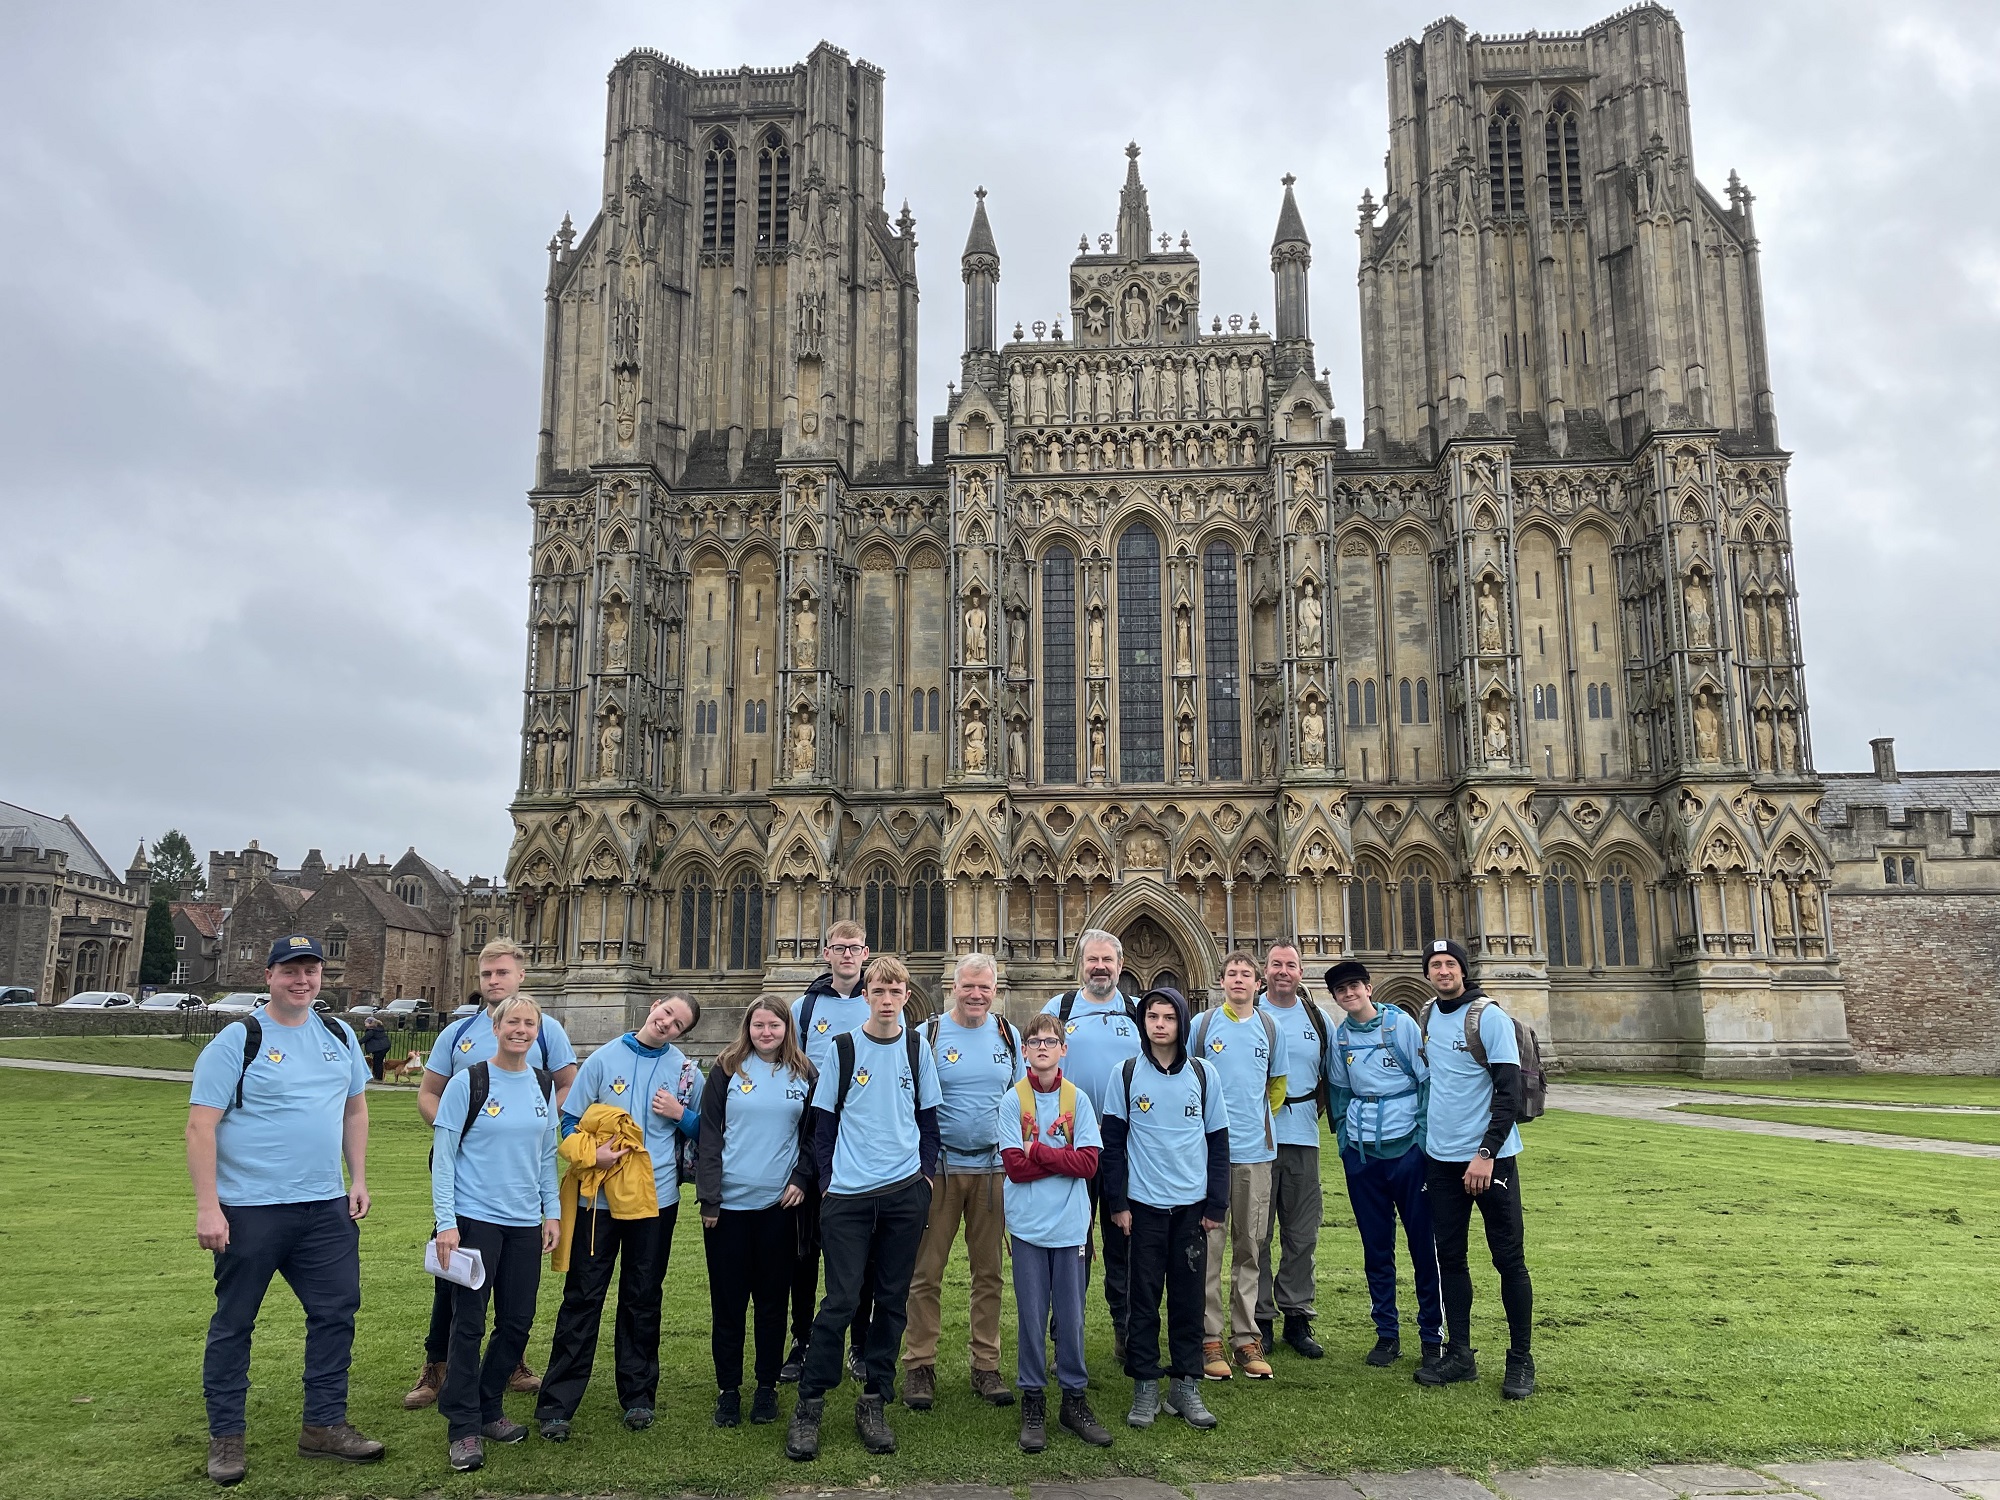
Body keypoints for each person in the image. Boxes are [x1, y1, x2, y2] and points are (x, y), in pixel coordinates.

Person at [186, 934, 382, 1487]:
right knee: (235, 1322)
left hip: (324, 1208)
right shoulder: (238, 1039)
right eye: (291, 970)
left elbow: (354, 1108)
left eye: (311, 970)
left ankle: (323, 1426)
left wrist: (357, 1178)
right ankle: (227, 1437)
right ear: (269, 976)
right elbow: (201, 1126)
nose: (302, 980)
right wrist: (209, 1208)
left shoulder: (338, 1033)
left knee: (336, 1313)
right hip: (250, 1208)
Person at [406, 940, 578, 1412]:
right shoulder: (459, 1032)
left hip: (519, 1169)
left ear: (521, 975)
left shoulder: (546, 1030)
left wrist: (536, 1120)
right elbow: (429, 1092)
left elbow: (566, 1084)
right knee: (454, 1275)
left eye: (501, 972)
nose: (493, 981)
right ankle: (436, 1366)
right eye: (485, 975)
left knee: (512, 1284)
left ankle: (512, 1361)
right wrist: (454, 1129)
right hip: (465, 1170)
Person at [786, 956, 941, 1462]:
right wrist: (830, 1182)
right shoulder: (843, 1048)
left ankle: (874, 1399)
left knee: (892, 1302)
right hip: (849, 1197)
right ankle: (810, 1404)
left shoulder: (918, 1047)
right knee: (841, 1301)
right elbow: (823, 1122)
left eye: (896, 990)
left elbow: (929, 1122)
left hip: (902, 1194)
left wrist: (921, 1178)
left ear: (905, 995)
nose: (888, 998)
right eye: (880, 990)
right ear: (868, 994)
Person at [535, 993, 701, 1438]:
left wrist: (680, 1115)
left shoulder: (685, 1071)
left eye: (679, 1024)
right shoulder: (604, 1059)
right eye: (667, 1013)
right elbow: (567, 1123)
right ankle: (557, 1404)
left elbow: (708, 1128)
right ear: (654, 1006)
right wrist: (595, 1154)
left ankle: (638, 1396)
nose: (668, 1024)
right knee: (583, 1297)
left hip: (655, 1201)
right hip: (599, 1202)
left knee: (642, 1297)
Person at [429, 995, 561, 1473]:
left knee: (518, 1323)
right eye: (513, 1022)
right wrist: (447, 1222)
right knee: (468, 1324)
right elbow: (444, 1157)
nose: (520, 1030)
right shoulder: (469, 1081)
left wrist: (552, 1214)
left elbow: (547, 1154)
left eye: (529, 1024)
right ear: (496, 1026)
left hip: (525, 1222)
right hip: (475, 1219)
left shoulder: (543, 1084)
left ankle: (488, 1407)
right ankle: (462, 1427)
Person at [1101, 987, 1228, 1432]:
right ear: (1143, 1023)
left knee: (1189, 1301)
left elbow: (1218, 1143)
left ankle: (1186, 1384)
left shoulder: (1204, 1074)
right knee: (1143, 1300)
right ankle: (1145, 1386)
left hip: (1191, 1210)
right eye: (1152, 1016)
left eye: (1168, 1017)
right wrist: (1117, 1203)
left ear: (1181, 1023)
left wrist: (1216, 1204)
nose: (1159, 1024)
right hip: (1143, 1207)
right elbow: (1113, 1144)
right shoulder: (1126, 1073)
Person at [902, 953, 1024, 1411]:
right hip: (939, 1171)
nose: (976, 995)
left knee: (988, 1274)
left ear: (995, 991)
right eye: (968, 987)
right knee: (925, 1273)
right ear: (951, 987)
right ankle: (919, 1365)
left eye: (984, 988)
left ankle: (986, 1366)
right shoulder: (926, 1035)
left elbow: (1017, 1103)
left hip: (993, 1170)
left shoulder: (1008, 1035)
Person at [1416, 938, 1535, 1399]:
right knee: (1451, 1259)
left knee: (1509, 1261)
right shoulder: (1427, 1015)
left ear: (1463, 970)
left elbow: (1509, 1093)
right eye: (1435, 964)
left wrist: (1485, 1153)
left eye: (1449, 964)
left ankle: (1520, 1360)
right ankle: (1460, 1356)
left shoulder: (1489, 1017)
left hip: (1491, 1159)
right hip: (1441, 1159)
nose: (1443, 971)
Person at [696, 996, 817, 1429]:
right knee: (728, 1305)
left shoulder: (805, 1073)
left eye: (775, 1026)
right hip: (727, 1209)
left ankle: (766, 1388)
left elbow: (813, 1137)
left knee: (771, 1303)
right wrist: (709, 1198)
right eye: (759, 1025)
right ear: (747, 1027)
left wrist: (802, 1179)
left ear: (787, 1028)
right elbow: (709, 1135)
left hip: (778, 1208)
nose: (766, 1033)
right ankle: (729, 1390)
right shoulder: (726, 1069)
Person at [998, 1012, 1110, 1452]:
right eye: (1034, 1041)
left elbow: (1089, 1164)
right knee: (1030, 1315)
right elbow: (1013, 1167)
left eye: (1050, 1041)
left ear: (1064, 1049)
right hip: (1026, 1226)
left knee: (1071, 1317)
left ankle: (1074, 1400)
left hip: (1070, 1226)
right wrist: (1057, 1159)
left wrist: (1039, 1150)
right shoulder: (1013, 1100)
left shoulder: (1077, 1099)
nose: (1042, 1047)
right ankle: (1032, 1400)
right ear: (1024, 1050)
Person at [1322, 960, 1442, 1372]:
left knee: (1423, 1246)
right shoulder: (1340, 1040)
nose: (1349, 994)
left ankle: (1431, 1336)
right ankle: (1387, 1334)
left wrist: (1421, 1142)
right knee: (1376, 1248)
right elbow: (1338, 1093)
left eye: (1355, 986)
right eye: (1341, 990)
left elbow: (1425, 1081)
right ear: (1335, 997)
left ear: (1369, 988)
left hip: (1406, 1150)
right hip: (1362, 1155)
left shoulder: (1400, 1026)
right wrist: (1344, 1145)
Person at [1039, 930, 1143, 1357]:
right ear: (1080, 964)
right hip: (1071, 1146)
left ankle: (1125, 1327)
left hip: (1124, 1146)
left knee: (1124, 1240)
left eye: (1108, 960)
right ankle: (1065, 1327)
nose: (1100, 967)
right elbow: (1037, 1067)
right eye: (1092, 959)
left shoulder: (1138, 1011)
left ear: (1120, 965)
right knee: (1070, 1241)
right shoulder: (1059, 1009)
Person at [1188, 950, 1289, 1380]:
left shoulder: (1270, 1026)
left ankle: (1246, 1338)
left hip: (1255, 1154)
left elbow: (1278, 1085)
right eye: (1231, 974)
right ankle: (1209, 1339)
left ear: (1257, 983)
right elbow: (1188, 1076)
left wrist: (1255, 1119)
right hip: (1210, 1156)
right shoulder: (1203, 1025)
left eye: (1246, 975)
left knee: (1250, 1247)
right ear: (1221, 980)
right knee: (1210, 1248)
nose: (1239, 981)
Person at [786, 920, 873, 1385]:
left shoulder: (880, 1000)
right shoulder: (804, 1008)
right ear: (826, 953)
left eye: (853, 948)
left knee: (859, 1251)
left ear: (865, 953)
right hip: (815, 1136)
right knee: (806, 1250)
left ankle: (859, 1343)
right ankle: (802, 1341)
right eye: (838, 948)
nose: (846, 955)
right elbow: (792, 1067)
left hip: (863, 1139)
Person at [1254, 940, 1331, 1360]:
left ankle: (1297, 1316)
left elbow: (1330, 1078)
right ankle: (1260, 1319)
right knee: (1257, 1233)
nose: (1284, 971)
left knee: (1302, 1233)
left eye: (1291, 965)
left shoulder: (1317, 1019)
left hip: (1302, 1138)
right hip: (1256, 1141)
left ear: (1301, 972)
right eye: (1276, 964)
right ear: (1264, 971)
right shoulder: (1247, 1014)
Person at [361, 1016, 391, 1082]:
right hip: (384, 1046)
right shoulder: (378, 1029)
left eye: (366, 1023)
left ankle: (378, 1078)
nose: (365, 1025)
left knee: (377, 1062)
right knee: (378, 1062)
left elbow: (364, 1039)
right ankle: (378, 1077)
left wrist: (355, 1043)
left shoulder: (372, 1031)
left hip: (380, 1048)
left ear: (370, 1023)